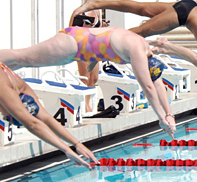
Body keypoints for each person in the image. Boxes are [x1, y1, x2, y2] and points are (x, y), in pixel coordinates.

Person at [71, 0, 197, 127]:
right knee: (139, 32)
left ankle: (95, 4)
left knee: (141, 8)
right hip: (185, 16)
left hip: (190, 7)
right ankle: (96, 45)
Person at [0, 26, 176, 139]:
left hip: (78, 46)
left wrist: (169, 115)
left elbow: (157, 84)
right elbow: (148, 87)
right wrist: (160, 119)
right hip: (73, 43)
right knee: (23, 57)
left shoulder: (146, 49)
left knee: (21, 62)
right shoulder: (137, 50)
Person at [0, 62, 98, 168]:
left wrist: (76, 144)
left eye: (8, 117)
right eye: (8, 117)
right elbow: (32, 123)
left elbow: (45, 118)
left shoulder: (14, 85)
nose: (3, 116)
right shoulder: (11, 84)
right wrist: (67, 148)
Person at [69, 0, 109, 113]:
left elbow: (97, 29)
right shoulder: (79, 11)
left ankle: (89, 103)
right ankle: (84, 106)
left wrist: (102, 25)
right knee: (85, 78)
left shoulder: (97, 11)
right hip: (82, 48)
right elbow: (70, 30)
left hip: (95, 47)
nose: (97, 0)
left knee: (94, 78)